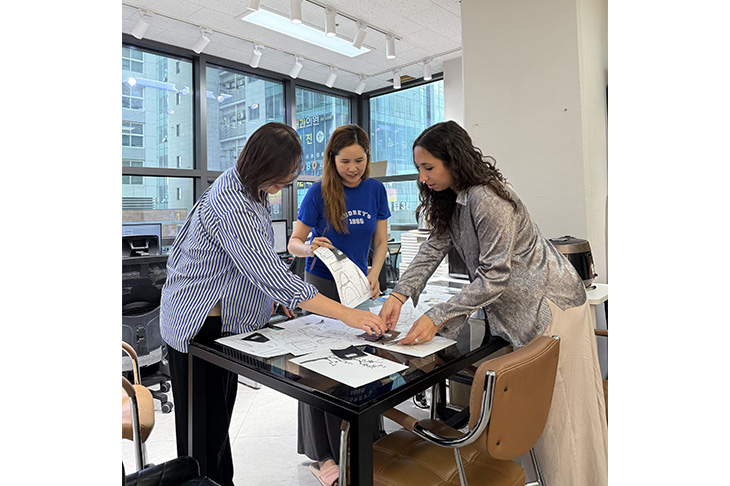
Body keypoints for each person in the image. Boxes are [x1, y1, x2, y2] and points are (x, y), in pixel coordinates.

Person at [379, 121, 608, 486]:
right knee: (539, 417)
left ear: (453, 160)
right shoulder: (452, 199)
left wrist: (437, 316)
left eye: (428, 167)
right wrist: (398, 294)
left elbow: (494, 277)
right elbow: (432, 247)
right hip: (523, 313)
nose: (422, 178)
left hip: (553, 307)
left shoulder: (488, 199)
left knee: (564, 419)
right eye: (419, 168)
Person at [159, 122, 387, 486]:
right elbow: (270, 273)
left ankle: (221, 480)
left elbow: (255, 262)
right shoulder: (233, 204)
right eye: (280, 178)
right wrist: (348, 315)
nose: (283, 185)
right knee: (201, 434)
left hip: (225, 322)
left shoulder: (252, 189)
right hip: (198, 322)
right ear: (260, 164)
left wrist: (272, 299)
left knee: (217, 424)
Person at [287, 124, 390, 486]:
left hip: (359, 287)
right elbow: (294, 242)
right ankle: (323, 454)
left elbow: (381, 241)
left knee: (362, 360)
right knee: (319, 367)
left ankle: (364, 436)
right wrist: (309, 247)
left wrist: (374, 274)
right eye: (345, 161)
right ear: (332, 159)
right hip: (321, 286)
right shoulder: (319, 192)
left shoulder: (376, 190)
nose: (353, 168)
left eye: (359, 160)